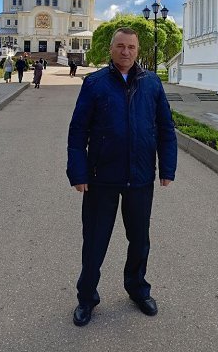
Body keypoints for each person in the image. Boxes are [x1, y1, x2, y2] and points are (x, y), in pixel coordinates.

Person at [67, 27, 177, 327]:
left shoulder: (151, 83)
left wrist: (167, 168)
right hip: (101, 177)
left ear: (137, 50)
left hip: (140, 178)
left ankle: (138, 289)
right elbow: (78, 131)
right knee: (95, 241)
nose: (125, 52)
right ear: (111, 48)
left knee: (139, 240)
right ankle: (86, 297)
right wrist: (77, 171)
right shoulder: (95, 83)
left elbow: (166, 128)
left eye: (131, 47)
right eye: (120, 46)